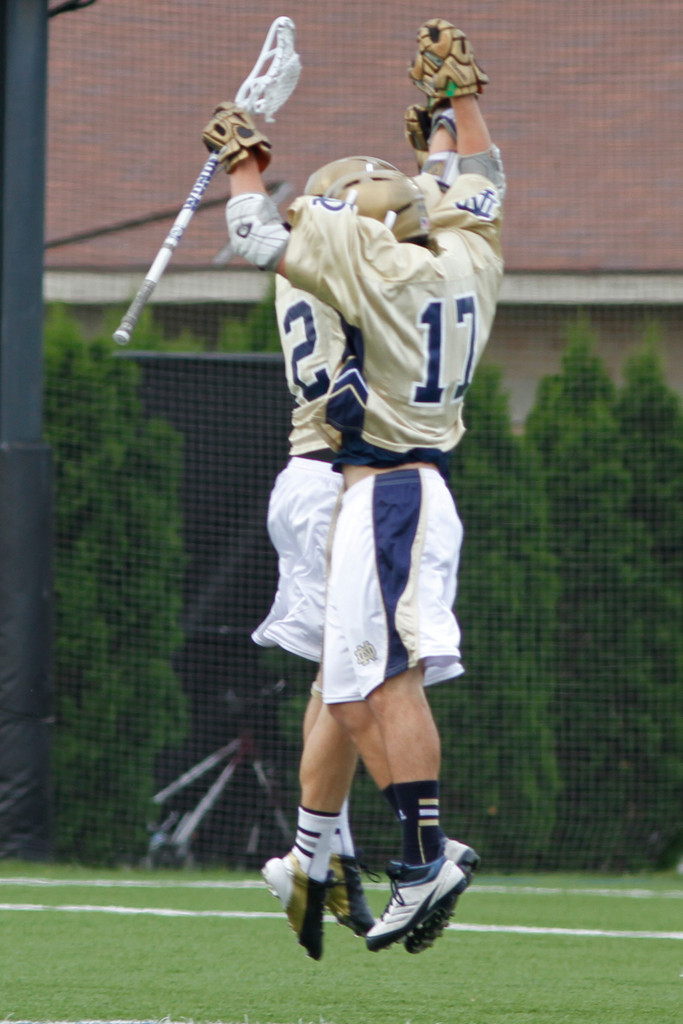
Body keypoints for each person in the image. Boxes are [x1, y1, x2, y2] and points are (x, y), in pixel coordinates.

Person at [202, 18, 504, 956]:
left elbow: (261, 230)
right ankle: (325, 853)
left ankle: (376, 852)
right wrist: (452, 116)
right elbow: (470, 194)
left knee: (362, 681)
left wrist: (244, 159)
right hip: (371, 475)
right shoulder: (467, 257)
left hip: (356, 478)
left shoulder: (346, 262)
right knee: (351, 680)